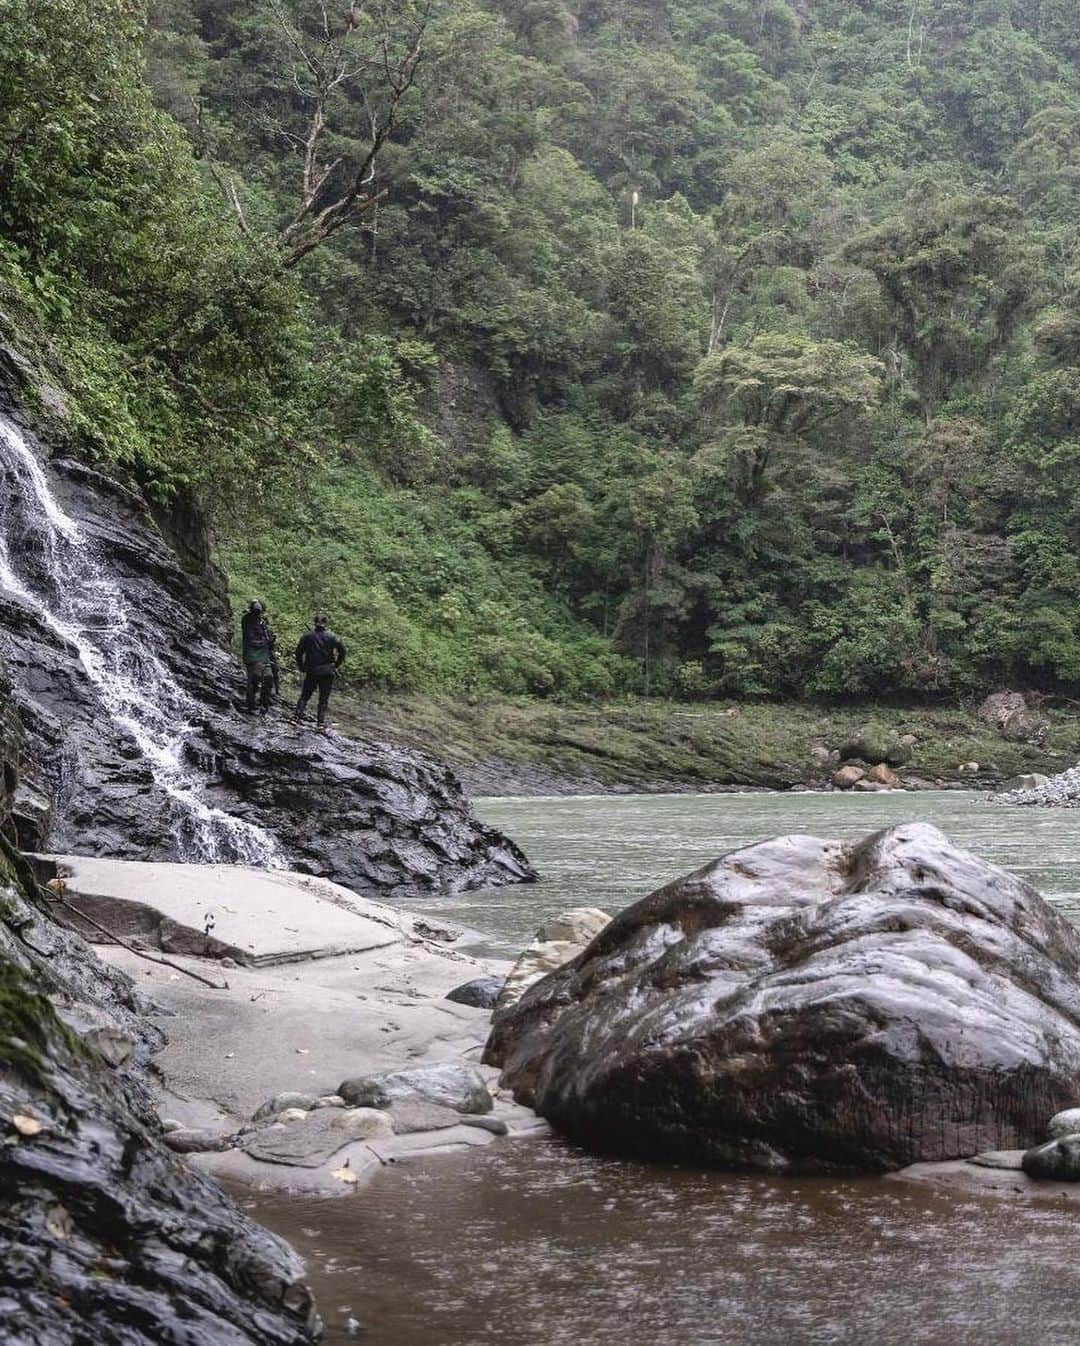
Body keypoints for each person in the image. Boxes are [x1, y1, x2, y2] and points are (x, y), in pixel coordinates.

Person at [293, 613, 346, 731]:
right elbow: (342, 652)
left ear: (315, 622)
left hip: (311, 671)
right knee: (323, 699)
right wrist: (336, 665)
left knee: (305, 696)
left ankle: (295, 718)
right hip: (327, 672)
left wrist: (301, 666)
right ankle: (320, 724)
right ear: (326, 623)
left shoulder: (307, 636)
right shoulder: (333, 637)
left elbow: (298, 653)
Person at [240, 600, 277, 715]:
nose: (259, 615)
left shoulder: (263, 622)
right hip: (252, 655)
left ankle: (264, 704)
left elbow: (267, 639)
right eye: (257, 612)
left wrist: (270, 641)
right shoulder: (247, 620)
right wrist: (265, 641)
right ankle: (250, 705)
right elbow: (251, 640)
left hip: (264, 655)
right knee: (254, 678)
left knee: (269, 678)